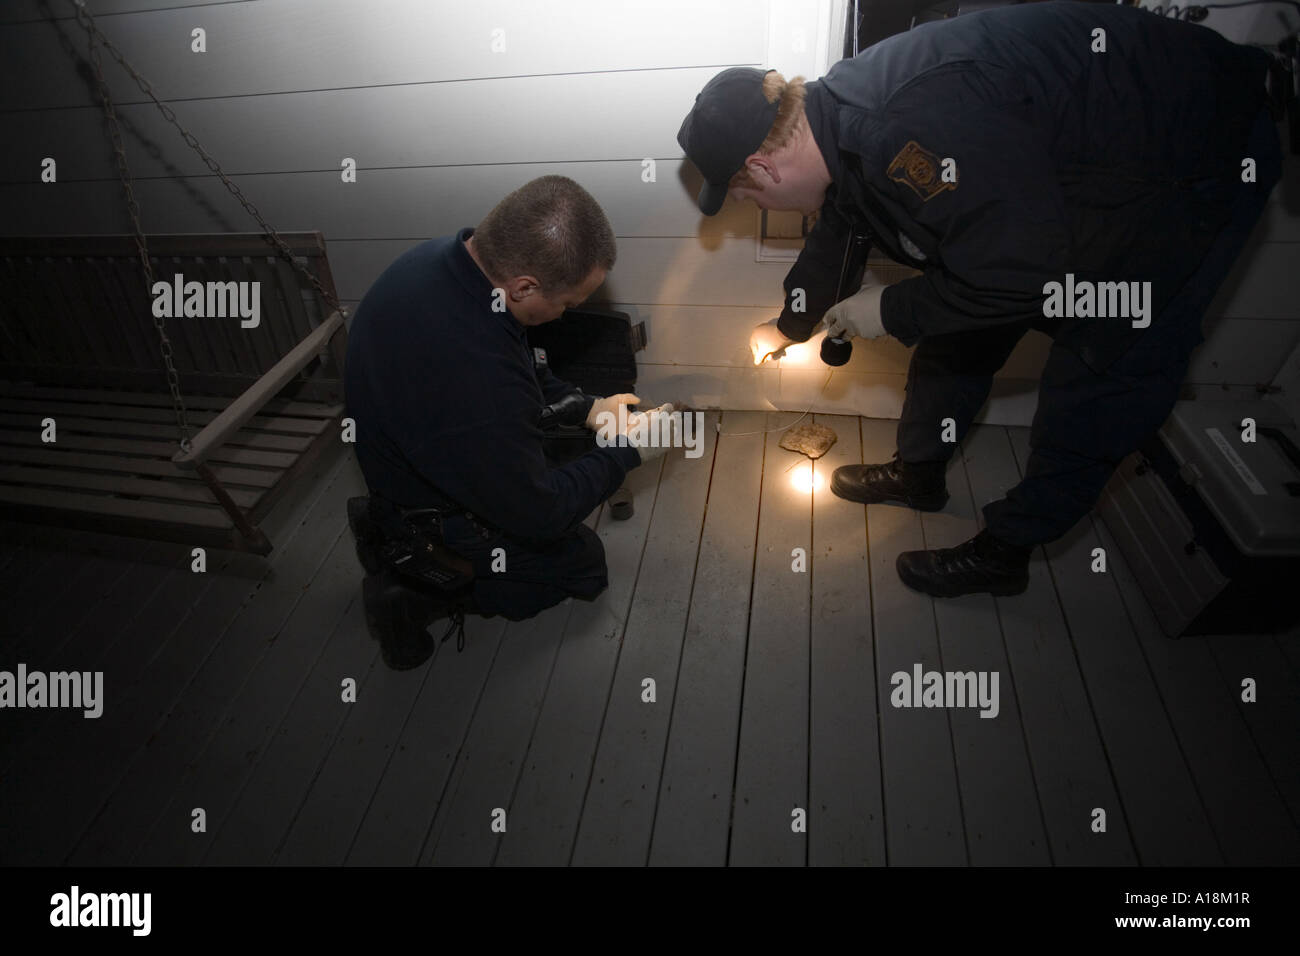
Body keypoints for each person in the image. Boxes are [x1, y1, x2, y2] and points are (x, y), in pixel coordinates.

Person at [676, 1, 1282, 598]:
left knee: (1103, 366)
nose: (752, 209)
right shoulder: (835, 117)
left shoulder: (901, 126)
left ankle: (1005, 552)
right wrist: (792, 324)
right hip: (1066, 173)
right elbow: (846, 223)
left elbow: (1019, 279)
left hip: (1188, 167)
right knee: (957, 323)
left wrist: (888, 310)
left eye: (744, 198)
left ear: (762, 166)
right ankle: (919, 475)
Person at [344, 175, 673, 668]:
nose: (565, 316)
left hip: (415, 444)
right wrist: (626, 453)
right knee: (582, 568)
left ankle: (392, 531)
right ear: (524, 286)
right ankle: (411, 593)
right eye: (565, 304)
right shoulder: (473, 376)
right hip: (435, 505)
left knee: (562, 456)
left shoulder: (451, 261)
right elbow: (536, 514)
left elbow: (521, 361)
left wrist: (587, 407)